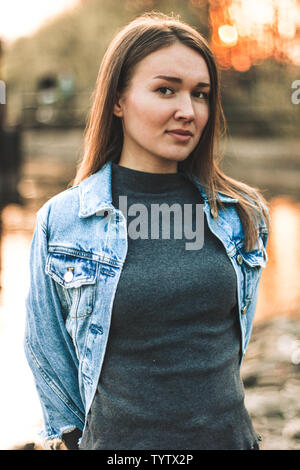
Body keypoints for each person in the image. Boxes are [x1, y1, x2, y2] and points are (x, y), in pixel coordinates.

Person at [24, 11, 270, 451]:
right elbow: (46, 350)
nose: (187, 110)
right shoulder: (62, 221)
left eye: (201, 94)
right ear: (118, 100)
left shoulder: (242, 213)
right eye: (165, 90)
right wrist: (72, 439)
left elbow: (234, 344)